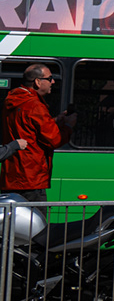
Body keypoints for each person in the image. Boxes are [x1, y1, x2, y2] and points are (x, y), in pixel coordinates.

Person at [2, 64, 76, 201]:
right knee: (36, 221)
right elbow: (55, 139)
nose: (53, 82)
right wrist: (68, 125)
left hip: (11, 177)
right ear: (37, 82)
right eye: (49, 78)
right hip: (31, 178)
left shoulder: (12, 100)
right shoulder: (35, 105)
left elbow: (27, 128)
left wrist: (54, 121)